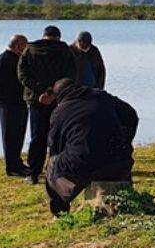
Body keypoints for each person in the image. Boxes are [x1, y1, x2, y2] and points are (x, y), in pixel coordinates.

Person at [45, 78, 138, 215]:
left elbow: (54, 147)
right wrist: (125, 140)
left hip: (83, 164)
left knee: (53, 165)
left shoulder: (60, 112)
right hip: (118, 161)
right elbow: (131, 115)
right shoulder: (101, 96)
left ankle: (60, 211)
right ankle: (125, 201)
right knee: (119, 154)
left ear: (58, 96)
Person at [17, 25, 77, 184]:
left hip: (36, 100)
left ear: (44, 35)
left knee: (37, 137)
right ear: (58, 37)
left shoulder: (30, 49)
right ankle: (56, 170)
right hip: (59, 100)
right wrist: (52, 93)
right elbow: (71, 75)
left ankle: (33, 173)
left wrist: (40, 91)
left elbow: (22, 74)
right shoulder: (65, 51)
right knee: (58, 135)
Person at [0, 35, 31, 177]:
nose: (26, 48)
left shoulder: (18, 59)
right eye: (25, 45)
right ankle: (12, 167)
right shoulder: (3, 60)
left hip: (20, 102)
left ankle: (18, 163)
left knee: (19, 134)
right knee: (10, 135)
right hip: (8, 104)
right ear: (18, 46)